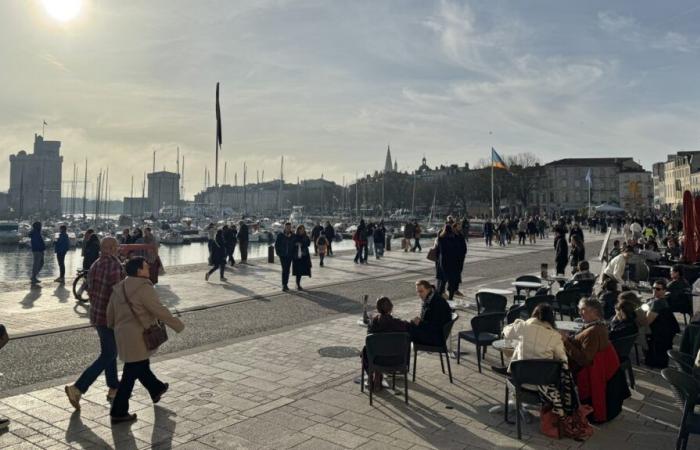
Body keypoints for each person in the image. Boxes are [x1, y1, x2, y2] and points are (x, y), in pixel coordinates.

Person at [107, 257, 185, 424]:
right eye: (146, 267)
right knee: (130, 373)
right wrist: (177, 324)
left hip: (123, 335)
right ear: (138, 271)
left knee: (139, 365)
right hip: (139, 335)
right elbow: (158, 310)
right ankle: (118, 412)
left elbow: (110, 315)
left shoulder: (119, 288)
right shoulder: (144, 287)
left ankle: (156, 388)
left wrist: (116, 327)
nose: (149, 269)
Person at [65, 237, 125, 411]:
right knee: (108, 354)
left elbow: (90, 290)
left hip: (97, 315)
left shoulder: (95, 264)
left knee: (109, 351)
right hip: (110, 317)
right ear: (114, 248)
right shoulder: (114, 266)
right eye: (117, 246)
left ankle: (114, 385)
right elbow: (119, 295)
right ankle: (78, 388)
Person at [564, 298, 629, 423]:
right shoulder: (599, 325)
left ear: (594, 311)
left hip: (592, 375)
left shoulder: (594, 331)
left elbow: (584, 360)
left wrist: (566, 342)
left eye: (583, 310)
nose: (580, 313)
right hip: (605, 374)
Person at [362, 297, 409, 391]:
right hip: (397, 360)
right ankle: (378, 377)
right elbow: (409, 329)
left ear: (378, 309)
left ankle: (372, 376)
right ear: (391, 309)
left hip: (377, 361)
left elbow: (370, 342)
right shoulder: (398, 323)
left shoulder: (373, 324)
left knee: (366, 350)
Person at [643, 279, 680, 368]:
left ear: (664, 290)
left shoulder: (657, 303)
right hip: (664, 335)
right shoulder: (662, 301)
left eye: (658, 289)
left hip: (656, 334)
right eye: (653, 288)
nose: (654, 290)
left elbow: (647, 321)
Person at [409, 280, 452, 346]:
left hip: (436, 338)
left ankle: (401, 355)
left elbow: (435, 326)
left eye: (421, 291)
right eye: (418, 292)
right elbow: (428, 319)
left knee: (406, 335)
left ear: (428, 289)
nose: (419, 294)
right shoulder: (430, 298)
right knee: (407, 328)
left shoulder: (437, 303)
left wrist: (420, 323)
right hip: (433, 334)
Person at [275, 222, 295, 291]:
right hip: (283, 255)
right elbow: (276, 244)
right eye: (287, 227)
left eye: (289, 227)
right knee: (284, 269)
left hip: (290, 255)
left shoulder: (293, 235)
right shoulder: (280, 235)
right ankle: (284, 285)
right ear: (284, 227)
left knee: (287, 270)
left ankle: (286, 284)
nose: (288, 229)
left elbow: (295, 244)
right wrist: (278, 253)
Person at [292, 225, 312, 290]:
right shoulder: (295, 236)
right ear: (298, 230)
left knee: (302, 270)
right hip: (297, 256)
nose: (302, 230)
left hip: (304, 255)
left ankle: (298, 283)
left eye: (303, 229)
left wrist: (302, 244)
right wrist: (296, 244)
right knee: (298, 271)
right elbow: (292, 244)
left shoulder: (305, 236)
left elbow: (308, 243)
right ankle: (298, 284)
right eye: (301, 229)